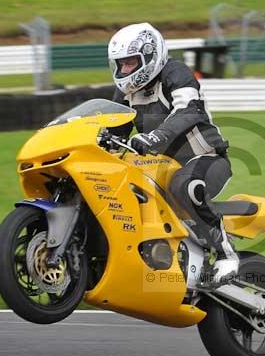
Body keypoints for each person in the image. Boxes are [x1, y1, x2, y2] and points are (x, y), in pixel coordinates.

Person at [101, 22, 238, 283]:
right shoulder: (125, 91)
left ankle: (225, 254)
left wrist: (155, 137)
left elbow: (188, 111)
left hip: (205, 159)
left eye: (130, 62)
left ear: (150, 56)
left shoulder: (175, 73)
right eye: (121, 64)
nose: (124, 70)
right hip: (158, 167)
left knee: (186, 186)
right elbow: (114, 130)